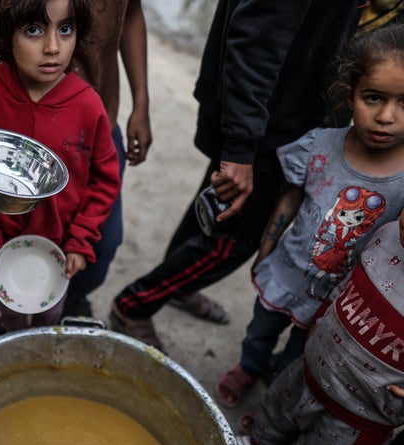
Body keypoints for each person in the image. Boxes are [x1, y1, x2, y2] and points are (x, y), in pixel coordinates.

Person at [108, 0, 366, 350]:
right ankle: (134, 306)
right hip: (267, 122)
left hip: (268, 111)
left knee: (214, 208)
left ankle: (177, 285)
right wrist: (241, 148)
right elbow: (256, 41)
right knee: (233, 238)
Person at [216, 20, 404, 409]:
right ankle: (249, 366)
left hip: (338, 302)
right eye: (373, 98)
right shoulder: (319, 145)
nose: (387, 116)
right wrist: (266, 253)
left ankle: (273, 405)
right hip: (286, 272)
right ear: (349, 93)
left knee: (299, 360)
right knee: (260, 331)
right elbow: (289, 201)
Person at [0, 0, 152, 323]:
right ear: (7, 34)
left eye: (66, 29)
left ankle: (72, 297)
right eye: (33, 30)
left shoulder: (90, 106)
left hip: (71, 221)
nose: (52, 47)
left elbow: (104, 180)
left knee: (100, 249)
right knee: (15, 312)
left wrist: (79, 240)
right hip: (9, 236)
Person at [234, 211, 404, 445]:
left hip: (356, 416)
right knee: (277, 410)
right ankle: (259, 442)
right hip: (312, 365)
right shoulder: (389, 235)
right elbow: (348, 282)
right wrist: (320, 319)